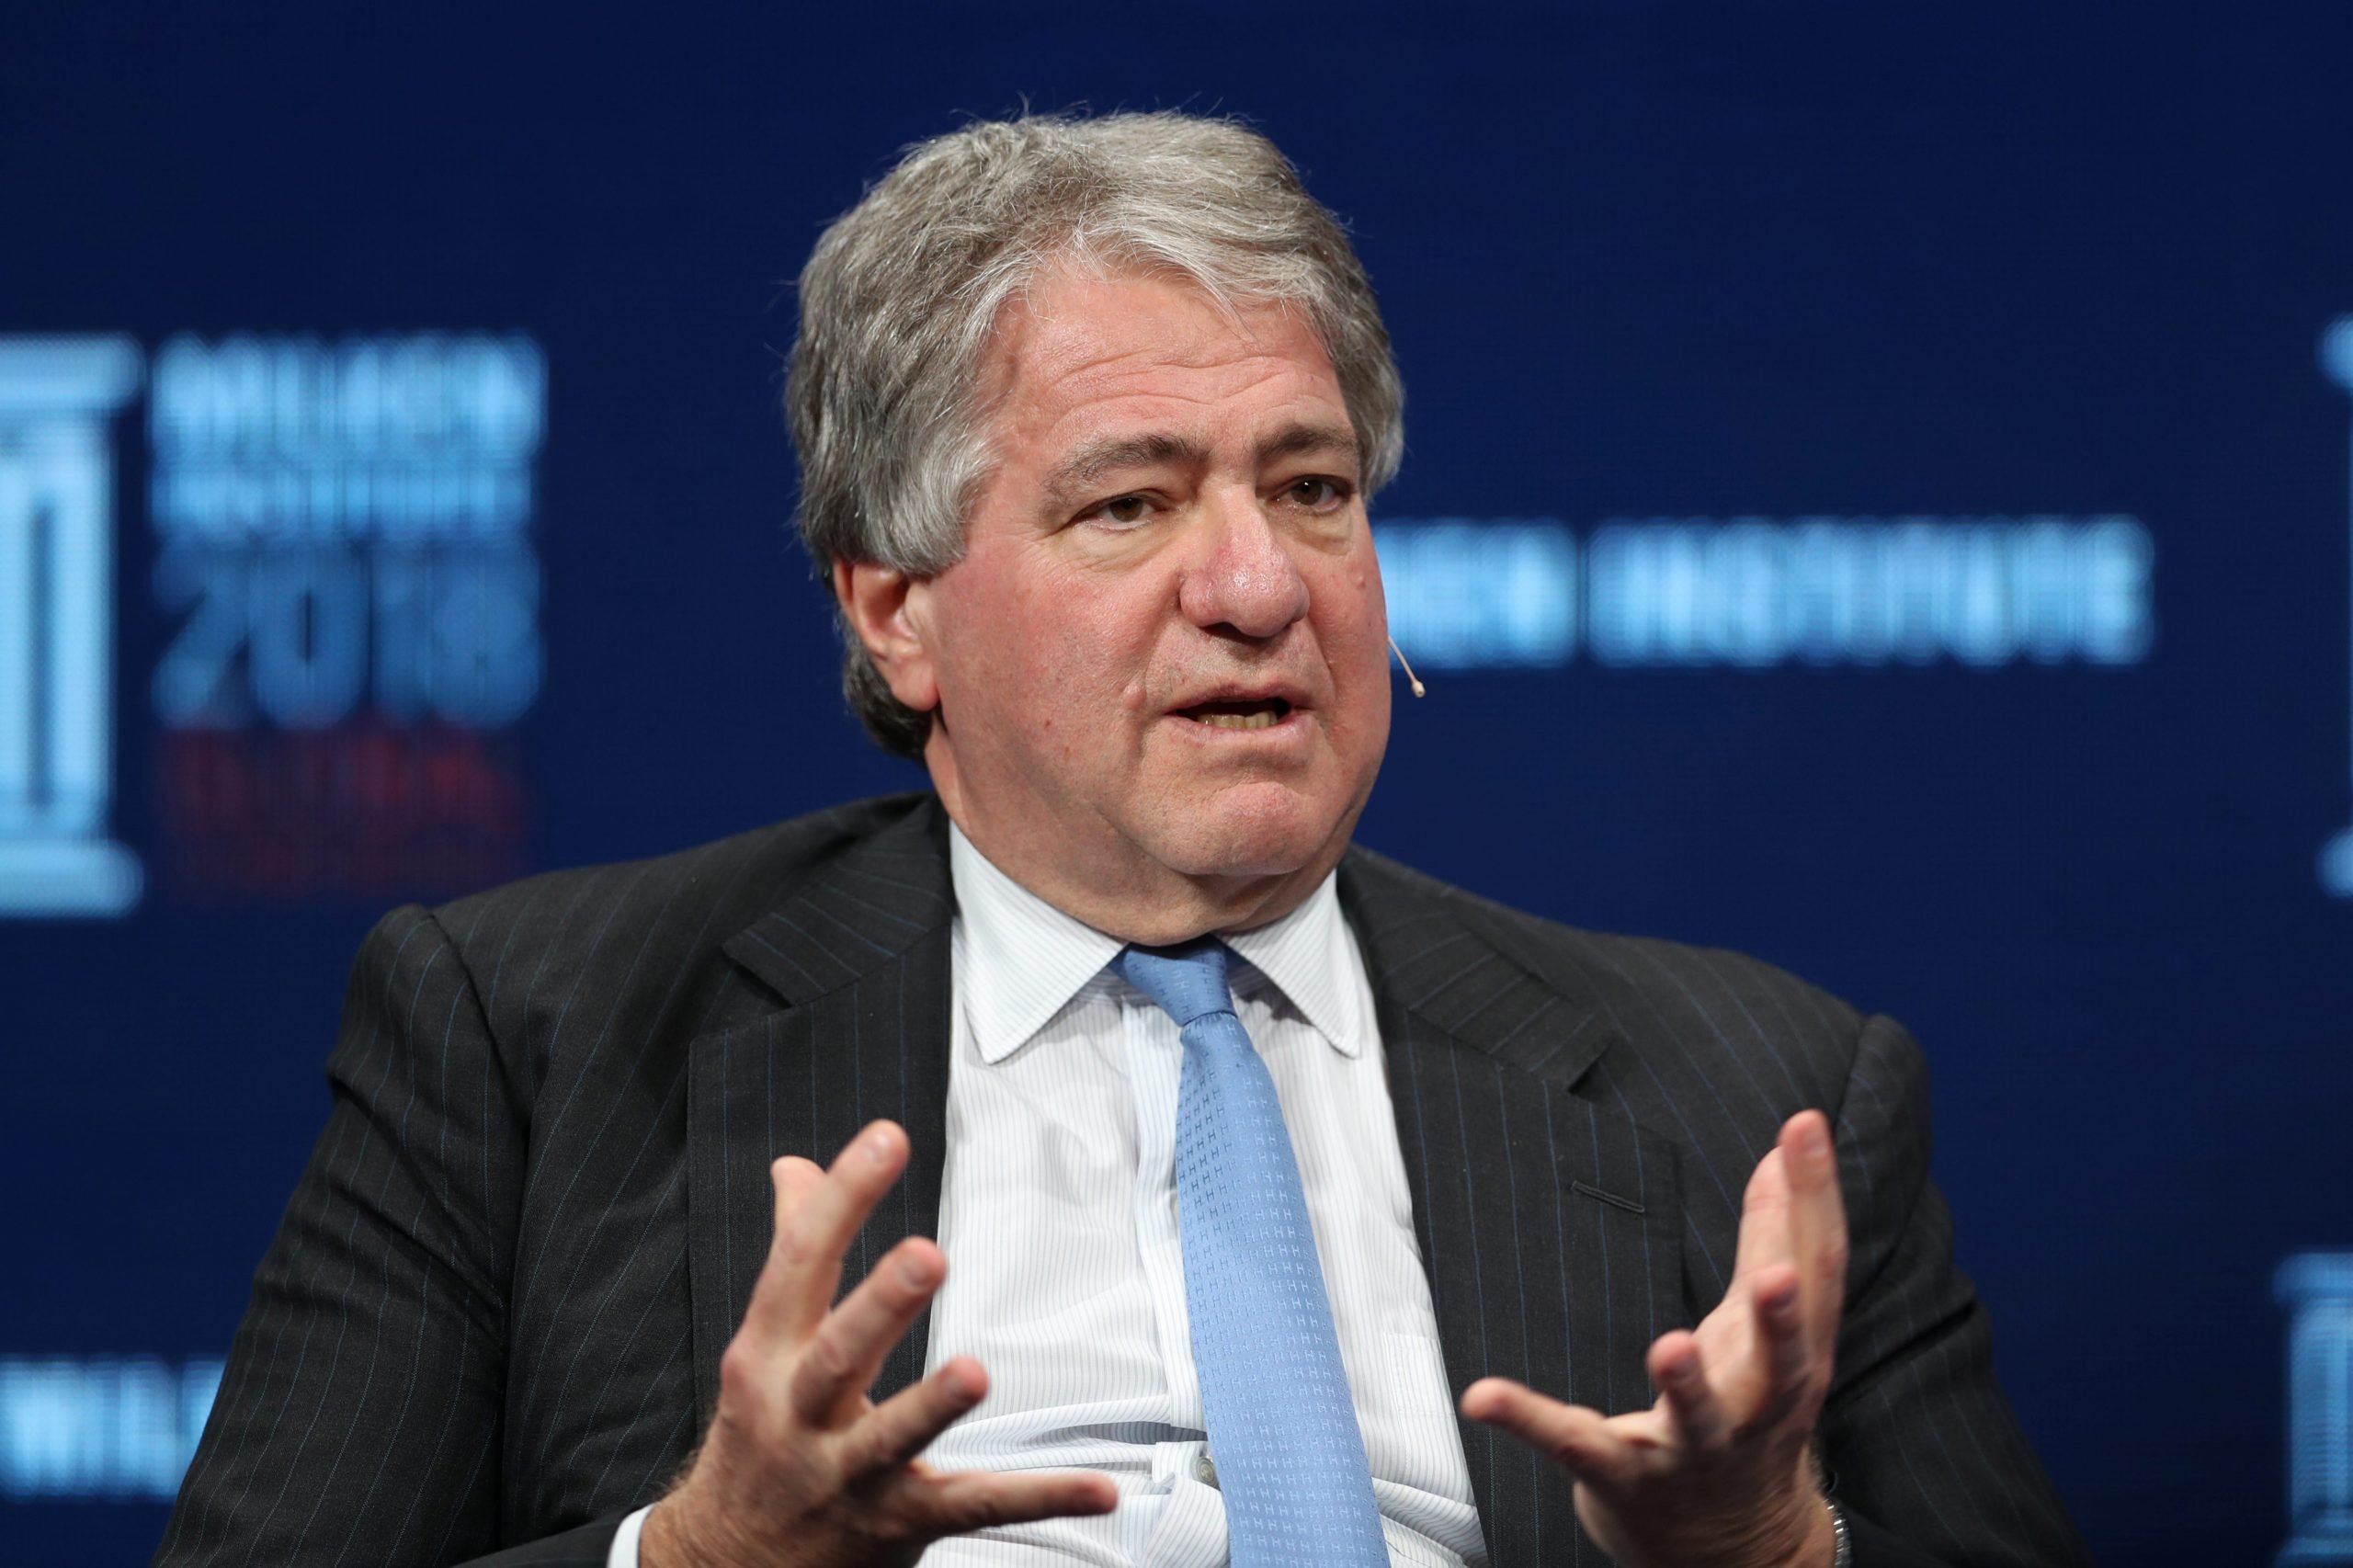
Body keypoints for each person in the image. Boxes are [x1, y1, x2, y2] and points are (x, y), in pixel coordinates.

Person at [154, 111, 2089, 1568]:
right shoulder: (530, 1034)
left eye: (1310, 488)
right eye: (1127, 507)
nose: (1255, 584)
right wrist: (692, 1559)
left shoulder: (1751, 1093)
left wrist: (1775, 1556)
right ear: (893, 608)